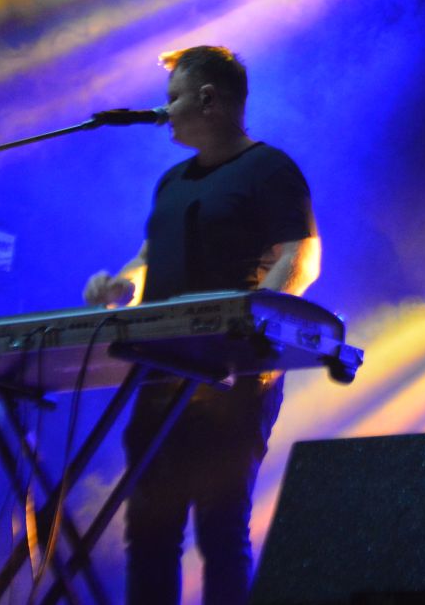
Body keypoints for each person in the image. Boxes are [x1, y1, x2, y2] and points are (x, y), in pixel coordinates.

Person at [83, 45, 320, 605]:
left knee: (220, 530)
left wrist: (252, 321)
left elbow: (301, 256)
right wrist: (119, 285)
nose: (163, 111)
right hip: (159, 374)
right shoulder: (171, 182)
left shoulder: (269, 169)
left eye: (173, 99)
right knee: (149, 533)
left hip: (234, 377)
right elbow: (148, 259)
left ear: (209, 100)